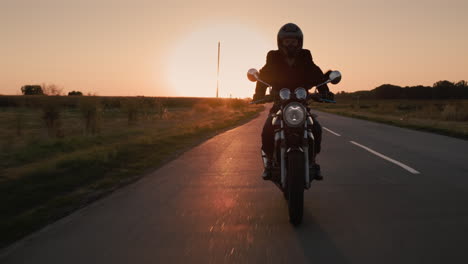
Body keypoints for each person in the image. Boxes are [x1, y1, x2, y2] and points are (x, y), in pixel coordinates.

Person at [252, 23, 331, 181]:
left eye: (293, 41)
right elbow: (264, 74)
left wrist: (325, 92)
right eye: (287, 41)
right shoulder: (273, 57)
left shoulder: (305, 56)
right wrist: (258, 94)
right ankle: (269, 162)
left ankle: (313, 161)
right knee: (268, 129)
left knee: (315, 128)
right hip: (279, 103)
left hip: (301, 104)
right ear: (280, 42)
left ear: (299, 42)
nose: (290, 44)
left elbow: (317, 74)